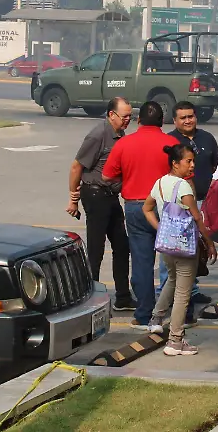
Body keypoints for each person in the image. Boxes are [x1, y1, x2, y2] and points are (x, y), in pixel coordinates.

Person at [101, 101, 177, 330]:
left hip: (135, 206)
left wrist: (129, 179)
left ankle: (144, 314)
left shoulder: (125, 143)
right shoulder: (172, 144)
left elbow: (107, 176)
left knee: (142, 263)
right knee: (175, 263)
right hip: (167, 207)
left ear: (138, 120)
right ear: (162, 121)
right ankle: (179, 309)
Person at [143, 143, 218, 355]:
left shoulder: (159, 183)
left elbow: (146, 208)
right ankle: (175, 340)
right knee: (183, 293)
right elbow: (196, 216)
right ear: (175, 164)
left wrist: (160, 229)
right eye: (188, 161)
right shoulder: (183, 187)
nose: (192, 165)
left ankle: (156, 318)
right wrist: (209, 242)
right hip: (185, 247)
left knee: (172, 280)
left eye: (193, 160)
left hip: (166, 245)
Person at [67, 96, 135, 311]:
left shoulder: (120, 134)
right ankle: (90, 299)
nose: (127, 121)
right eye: (124, 117)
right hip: (95, 195)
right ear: (111, 115)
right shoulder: (98, 135)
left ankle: (123, 297)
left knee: (122, 246)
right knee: (96, 249)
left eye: (130, 117)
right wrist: (73, 198)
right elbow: (77, 166)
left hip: (111, 196)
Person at [166, 101, 218, 306]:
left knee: (197, 249)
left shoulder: (207, 138)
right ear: (175, 120)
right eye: (183, 117)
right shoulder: (170, 141)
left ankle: (193, 289)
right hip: (180, 203)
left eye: (191, 116)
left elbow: (216, 163)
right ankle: (174, 293)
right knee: (179, 249)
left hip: (205, 200)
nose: (188, 120)